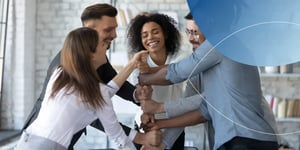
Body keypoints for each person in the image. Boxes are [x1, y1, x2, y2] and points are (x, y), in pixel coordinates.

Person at [22, 3, 156, 149]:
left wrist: (139, 97)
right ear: (90, 29)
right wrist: (140, 137)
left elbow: (109, 87)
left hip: (39, 139)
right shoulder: (66, 67)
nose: (115, 35)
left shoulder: (77, 63)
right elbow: (96, 107)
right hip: (48, 140)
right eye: (109, 29)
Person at [138, 13, 279, 150]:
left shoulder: (222, 42)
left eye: (195, 32)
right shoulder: (205, 65)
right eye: (188, 32)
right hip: (240, 140)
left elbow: (177, 73)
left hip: (245, 138)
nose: (191, 38)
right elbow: (202, 111)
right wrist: (161, 132)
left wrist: (145, 79)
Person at [127, 12, 191, 149]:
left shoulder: (180, 58)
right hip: (146, 126)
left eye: (155, 32)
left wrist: (149, 72)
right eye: (145, 35)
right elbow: (139, 98)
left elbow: (174, 72)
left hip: (175, 126)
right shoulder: (138, 63)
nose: (150, 38)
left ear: (165, 34)